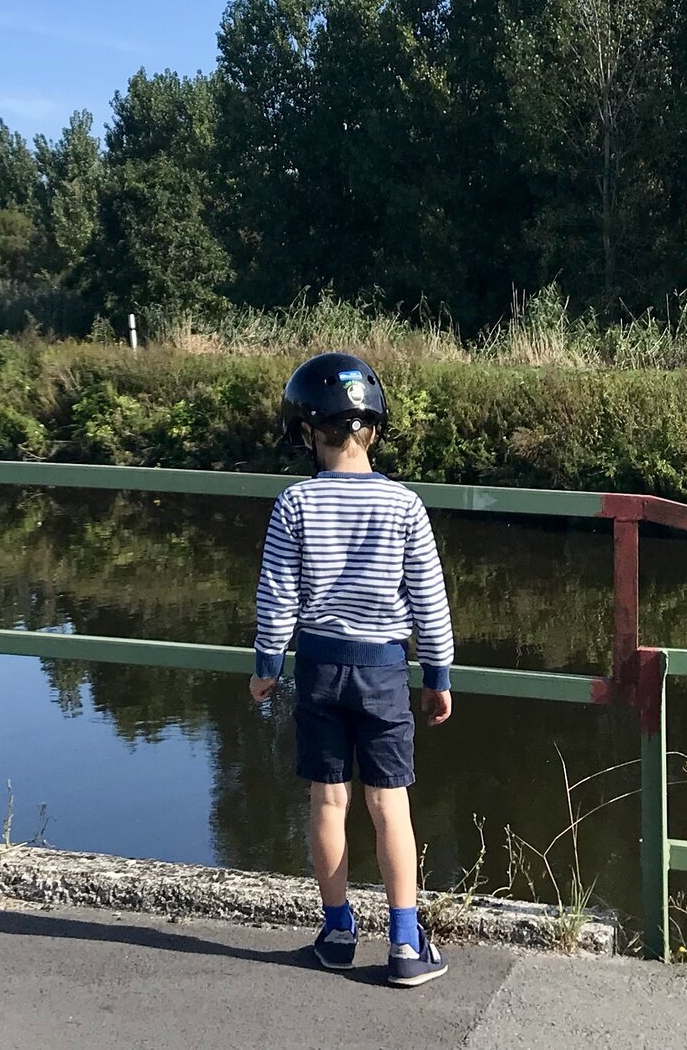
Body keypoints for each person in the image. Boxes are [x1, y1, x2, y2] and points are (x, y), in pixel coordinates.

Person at [249, 351, 455, 987]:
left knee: (328, 800)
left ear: (309, 433)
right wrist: (438, 675)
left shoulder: (294, 504)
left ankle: (338, 931)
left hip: (318, 670)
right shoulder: (404, 506)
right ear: (372, 429)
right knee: (390, 804)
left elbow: (277, 593)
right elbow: (428, 597)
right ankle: (403, 944)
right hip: (385, 672)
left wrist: (266, 664)